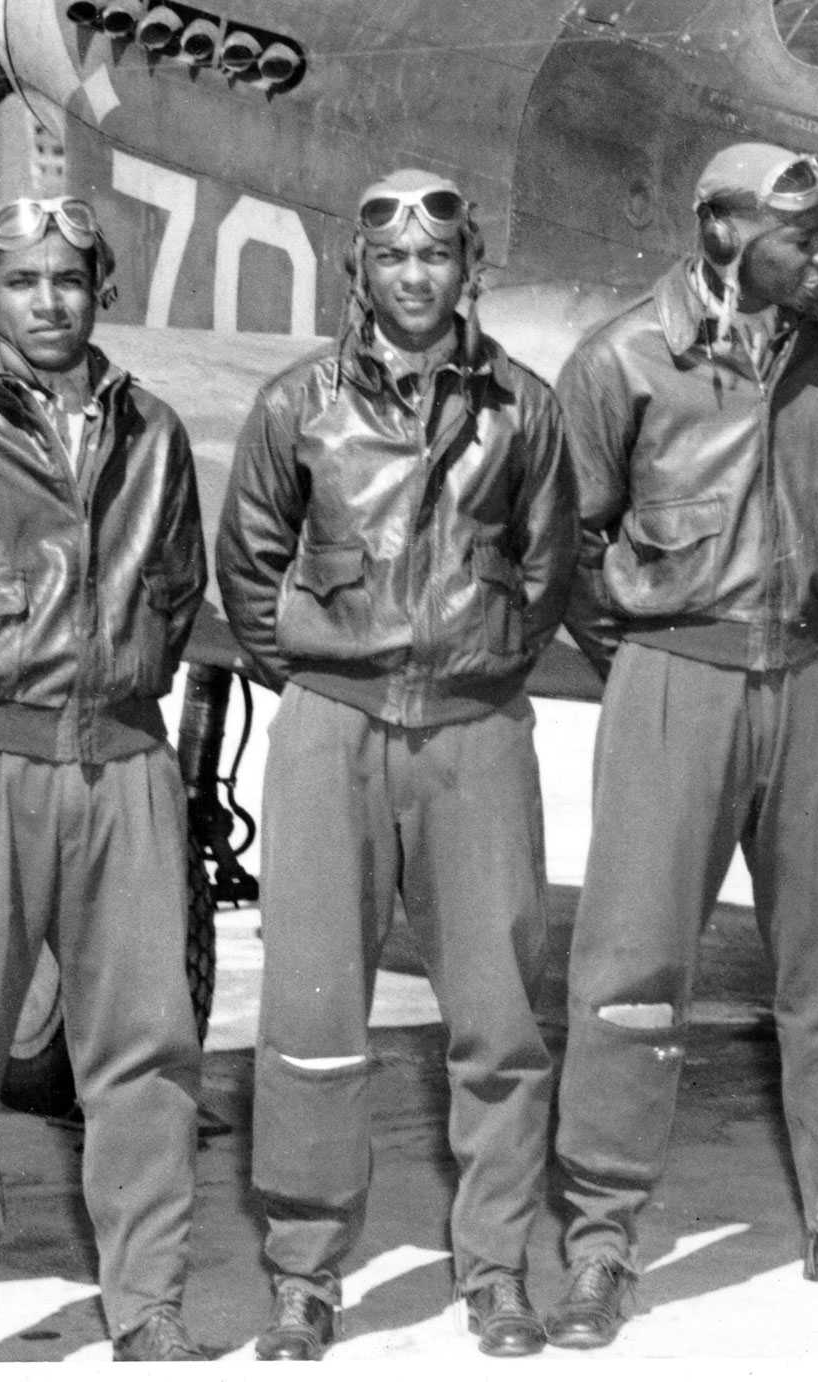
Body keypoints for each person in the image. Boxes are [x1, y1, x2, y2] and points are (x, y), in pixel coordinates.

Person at [548, 142, 818, 1349]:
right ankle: (601, 1241)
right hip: (677, 675)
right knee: (630, 970)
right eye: (800, 232)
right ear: (725, 231)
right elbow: (567, 541)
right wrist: (646, 652)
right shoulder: (623, 358)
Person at [217, 171, 578, 1360]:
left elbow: (547, 566)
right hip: (335, 728)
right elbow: (251, 566)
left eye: (436, 256)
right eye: (392, 259)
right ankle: (306, 1274)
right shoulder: (296, 408)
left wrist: (476, 663)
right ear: (359, 272)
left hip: (476, 737)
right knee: (314, 1010)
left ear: (467, 265)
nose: (414, 277)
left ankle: (495, 1270)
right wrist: (330, 679)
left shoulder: (522, 408)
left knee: (500, 1017)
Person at [0, 198, 209, 1361]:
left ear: (103, 291)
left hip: (125, 764)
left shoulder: (158, 433)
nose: (50, 301)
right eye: (25, 280)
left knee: (144, 1051)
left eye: (71, 280)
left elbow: (177, 587)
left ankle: (147, 1306)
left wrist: (120, 689)